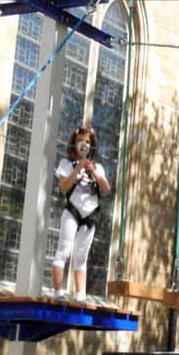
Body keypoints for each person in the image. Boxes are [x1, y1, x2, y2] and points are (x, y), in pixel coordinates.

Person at [51, 125, 110, 303]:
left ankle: (80, 294)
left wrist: (93, 172)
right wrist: (77, 169)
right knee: (64, 249)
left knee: (81, 255)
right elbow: (63, 187)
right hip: (72, 211)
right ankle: (58, 291)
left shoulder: (98, 167)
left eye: (87, 141)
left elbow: (106, 189)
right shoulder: (66, 164)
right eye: (80, 141)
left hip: (89, 215)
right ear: (74, 143)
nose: (83, 145)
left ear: (92, 145)